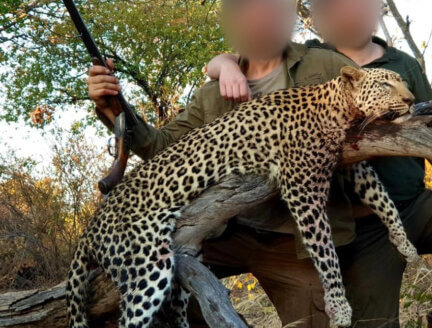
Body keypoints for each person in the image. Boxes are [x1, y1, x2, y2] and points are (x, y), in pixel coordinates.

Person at [86, 0, 404, 327]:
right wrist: (116, 107)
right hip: (224, 232)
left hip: (293, 242)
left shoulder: (324, 65)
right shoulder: (212, 94)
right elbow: (160, 146)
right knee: (155, 287)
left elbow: (376, 99)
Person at [205, 0, 432, 327]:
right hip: (363, 228)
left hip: (416, 206)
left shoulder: (404, 65)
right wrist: (226, 66)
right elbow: (240, 61)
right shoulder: (312, 61)